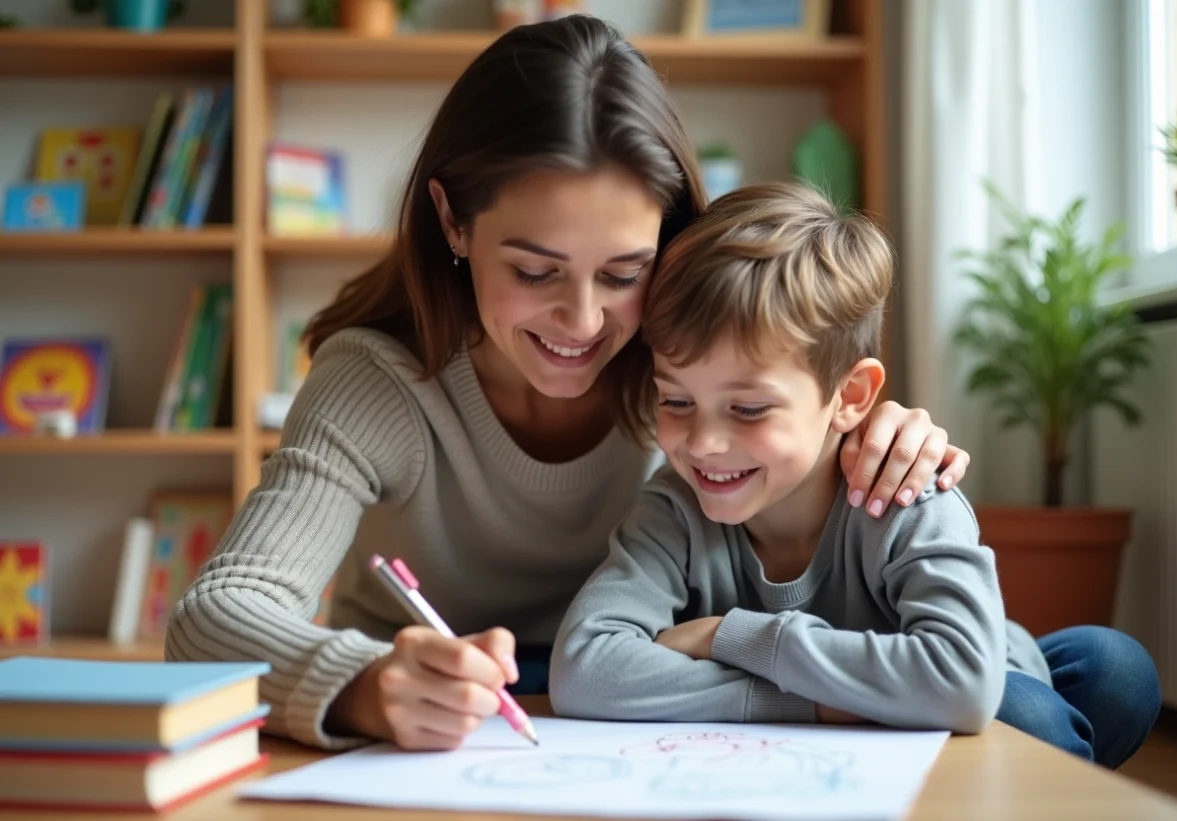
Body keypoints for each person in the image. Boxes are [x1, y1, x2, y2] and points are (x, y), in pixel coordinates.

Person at [164, 15, 971, 754]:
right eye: (534, 269)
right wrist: (367, 687)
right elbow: (212, 620)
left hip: (658, 707)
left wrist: (867, 431)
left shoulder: (683, 364)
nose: (583, 320)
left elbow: (798, 381)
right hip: (458, 726)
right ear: (452, 221)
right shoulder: (379, 383)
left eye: (626, 271)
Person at [549, 182, 1161, 766]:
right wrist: (811, 705)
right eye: (676, 401)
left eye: (749, 408)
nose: (704, 443)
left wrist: (733, 637)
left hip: (991, 665)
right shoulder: (672, 509)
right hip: (880, 713)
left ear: (850, 395)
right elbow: (583, 668)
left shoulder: (903, 491)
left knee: (1098, 677)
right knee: (1028, 720)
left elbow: (963, 683)